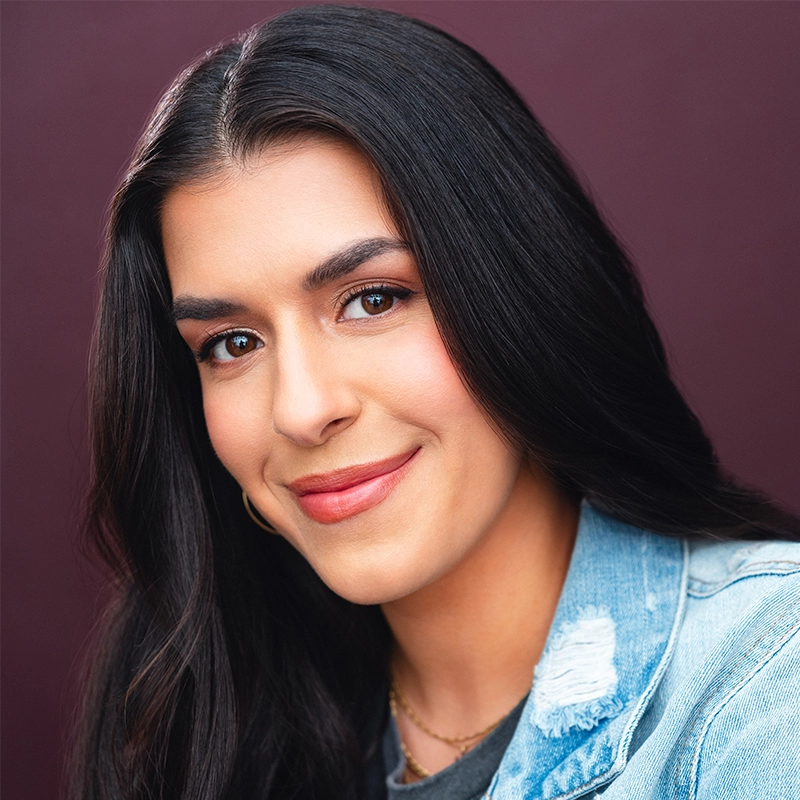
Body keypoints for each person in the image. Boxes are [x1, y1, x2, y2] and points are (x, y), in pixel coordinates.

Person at [73, 5, 800, 799]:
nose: (303, 410)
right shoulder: (216, 731)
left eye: (374, 299)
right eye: (233, 344)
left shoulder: (764, 686)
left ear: (522, 295)